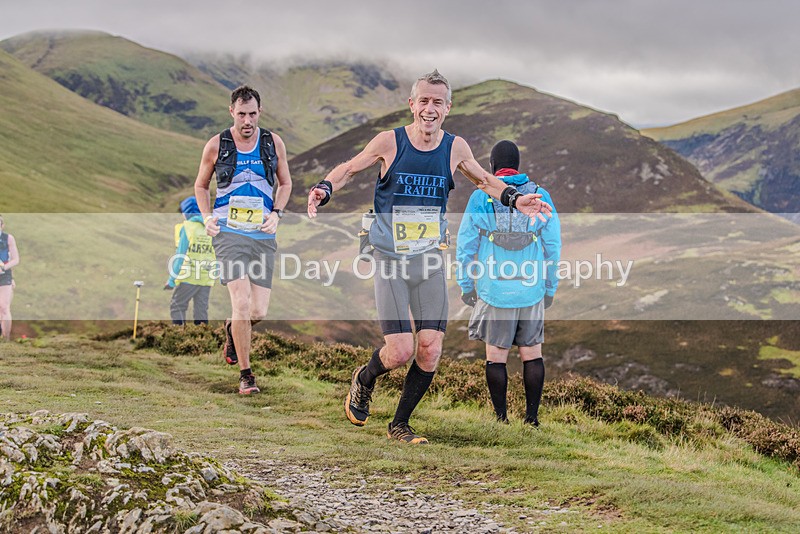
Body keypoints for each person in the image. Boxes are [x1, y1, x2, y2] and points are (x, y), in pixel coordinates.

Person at [307, 70, 552, 444]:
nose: (430, 108)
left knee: (431, 348)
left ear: (447, 108)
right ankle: (364, 379)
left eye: (437, 102)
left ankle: (399, 424)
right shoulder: (389, 142)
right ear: (412, 104)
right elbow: (350, 168)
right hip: (390, 258)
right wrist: (325, 188)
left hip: (429, 260)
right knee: (401, 349)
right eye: (423, 100)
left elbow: (486, 181)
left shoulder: (455, 148)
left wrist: (517, 200)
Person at [195, 85, 293, 395]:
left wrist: (277, 212)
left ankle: (230, 329)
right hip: (229, 233)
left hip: (263, 233)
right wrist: (208, 217)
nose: (247, 121)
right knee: (241, 303)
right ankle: (246, 375)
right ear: (231, 112)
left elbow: (286, 183)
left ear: (259, 112)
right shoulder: (217, 145)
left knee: (258, 311)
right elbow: (200, 186)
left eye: (252, 114)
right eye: (241, 114)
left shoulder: (273, 143)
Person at [456, 140, 561, 426]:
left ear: (491, 165)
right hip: (532, 287)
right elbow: (553, 246)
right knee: (532, 353)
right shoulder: (541, 196)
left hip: (494, 289)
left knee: (496, 356)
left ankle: (501, 419)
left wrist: (466, 285)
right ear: (518, 165)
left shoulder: (481, 197)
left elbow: (465, 244)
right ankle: (532, 419)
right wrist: (549, 288)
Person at [164, 196, 216, 325]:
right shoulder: (212, 227)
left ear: (187, 212)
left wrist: (171, 280)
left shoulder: (187, 227)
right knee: (201, 310)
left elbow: (180, 256)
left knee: (177, 305)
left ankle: (180, 337)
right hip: (206, 278)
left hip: (189, 276)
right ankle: (203, 338)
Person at [0, 214, 20, 342]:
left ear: (2, 225)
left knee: (4, 306)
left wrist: (3, 268)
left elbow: (16, 259)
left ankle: (6, 339)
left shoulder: (8, 238)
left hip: (4, 274)